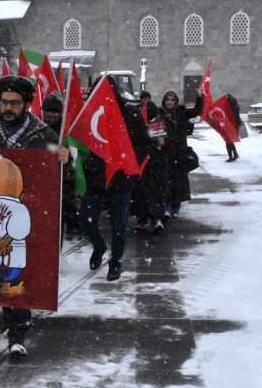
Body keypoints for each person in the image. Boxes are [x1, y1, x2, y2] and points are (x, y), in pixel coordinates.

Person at [0, 76, 68, 358]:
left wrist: (64, 158)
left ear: (26, 104)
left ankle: (17, 330)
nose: (8, 108)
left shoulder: (43, 135)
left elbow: (61, 179)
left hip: (28, 217)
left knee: (19, 270)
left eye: (15, 103)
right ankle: (13, 320)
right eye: (4, 103)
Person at [80, 76, 149, 282]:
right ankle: (99, 245)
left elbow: (144, 143)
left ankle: (115, 262)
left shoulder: (130, 115)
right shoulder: (87, 115)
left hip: (121, 178)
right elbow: (77, 139)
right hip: (95, 176)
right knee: (86, 217)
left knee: (119, 224)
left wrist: (129, 162)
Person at [41, 93, 80, 242]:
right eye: (47, 116)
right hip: (43, 181)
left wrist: (68, 158)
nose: (50, 120)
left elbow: (76, 157)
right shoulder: (37, 127)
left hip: (64, 182)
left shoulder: (67, 129)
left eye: (54, 117)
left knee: (60, 222)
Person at [160, 89, 203, 220]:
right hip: (166, 154)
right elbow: (152, 129)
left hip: (180, 154)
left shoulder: (182, 113)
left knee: (179, 183)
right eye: (167, 99)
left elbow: (197, 111)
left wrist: (200, 96)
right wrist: (157, 139)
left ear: (176, 101)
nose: (170, 102)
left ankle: (176, 208)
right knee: (166, 182)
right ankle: (166, 208)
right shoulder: (159, 114)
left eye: (172, 100)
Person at [132, 100, 168, 235]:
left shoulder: (160, 122)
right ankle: (143, 218)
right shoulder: (137, 123)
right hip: (143, 164)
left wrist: (163, 142)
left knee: (155, 192)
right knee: (142, 193)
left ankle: (155, 218)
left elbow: (168, 143)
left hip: (156, 165)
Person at [224, 94, 244, 162]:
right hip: (234, 124)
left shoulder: (231, 107)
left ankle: (231, 157)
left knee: (228, 141)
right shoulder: (235, 105)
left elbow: (231, 116)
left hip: (231, 125)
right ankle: (235, 154)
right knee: (229, 141)